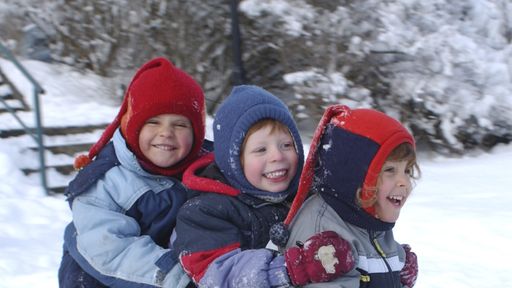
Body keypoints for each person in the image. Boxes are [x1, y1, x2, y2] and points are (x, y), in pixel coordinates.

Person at [172, 85, 356, 287]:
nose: (277, 156)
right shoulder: (205, 212)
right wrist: (289, 268)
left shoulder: (312, 195)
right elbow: (218, 275)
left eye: (286, 145)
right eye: (260, 149)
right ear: (233, 161)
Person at [58, 57, 210, 287]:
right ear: (132, 125)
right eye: (153, 122)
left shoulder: (209, 169)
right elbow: (109, 248)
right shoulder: (106, 180)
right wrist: (178, 277)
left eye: (179, 125)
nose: (166, 133)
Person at [271, 105, 419, 287]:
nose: (404, 181)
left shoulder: (372, 222)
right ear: (353, 175)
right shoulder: (323, 237)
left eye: (407, 170)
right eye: (390, 170)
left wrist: (398, 274)